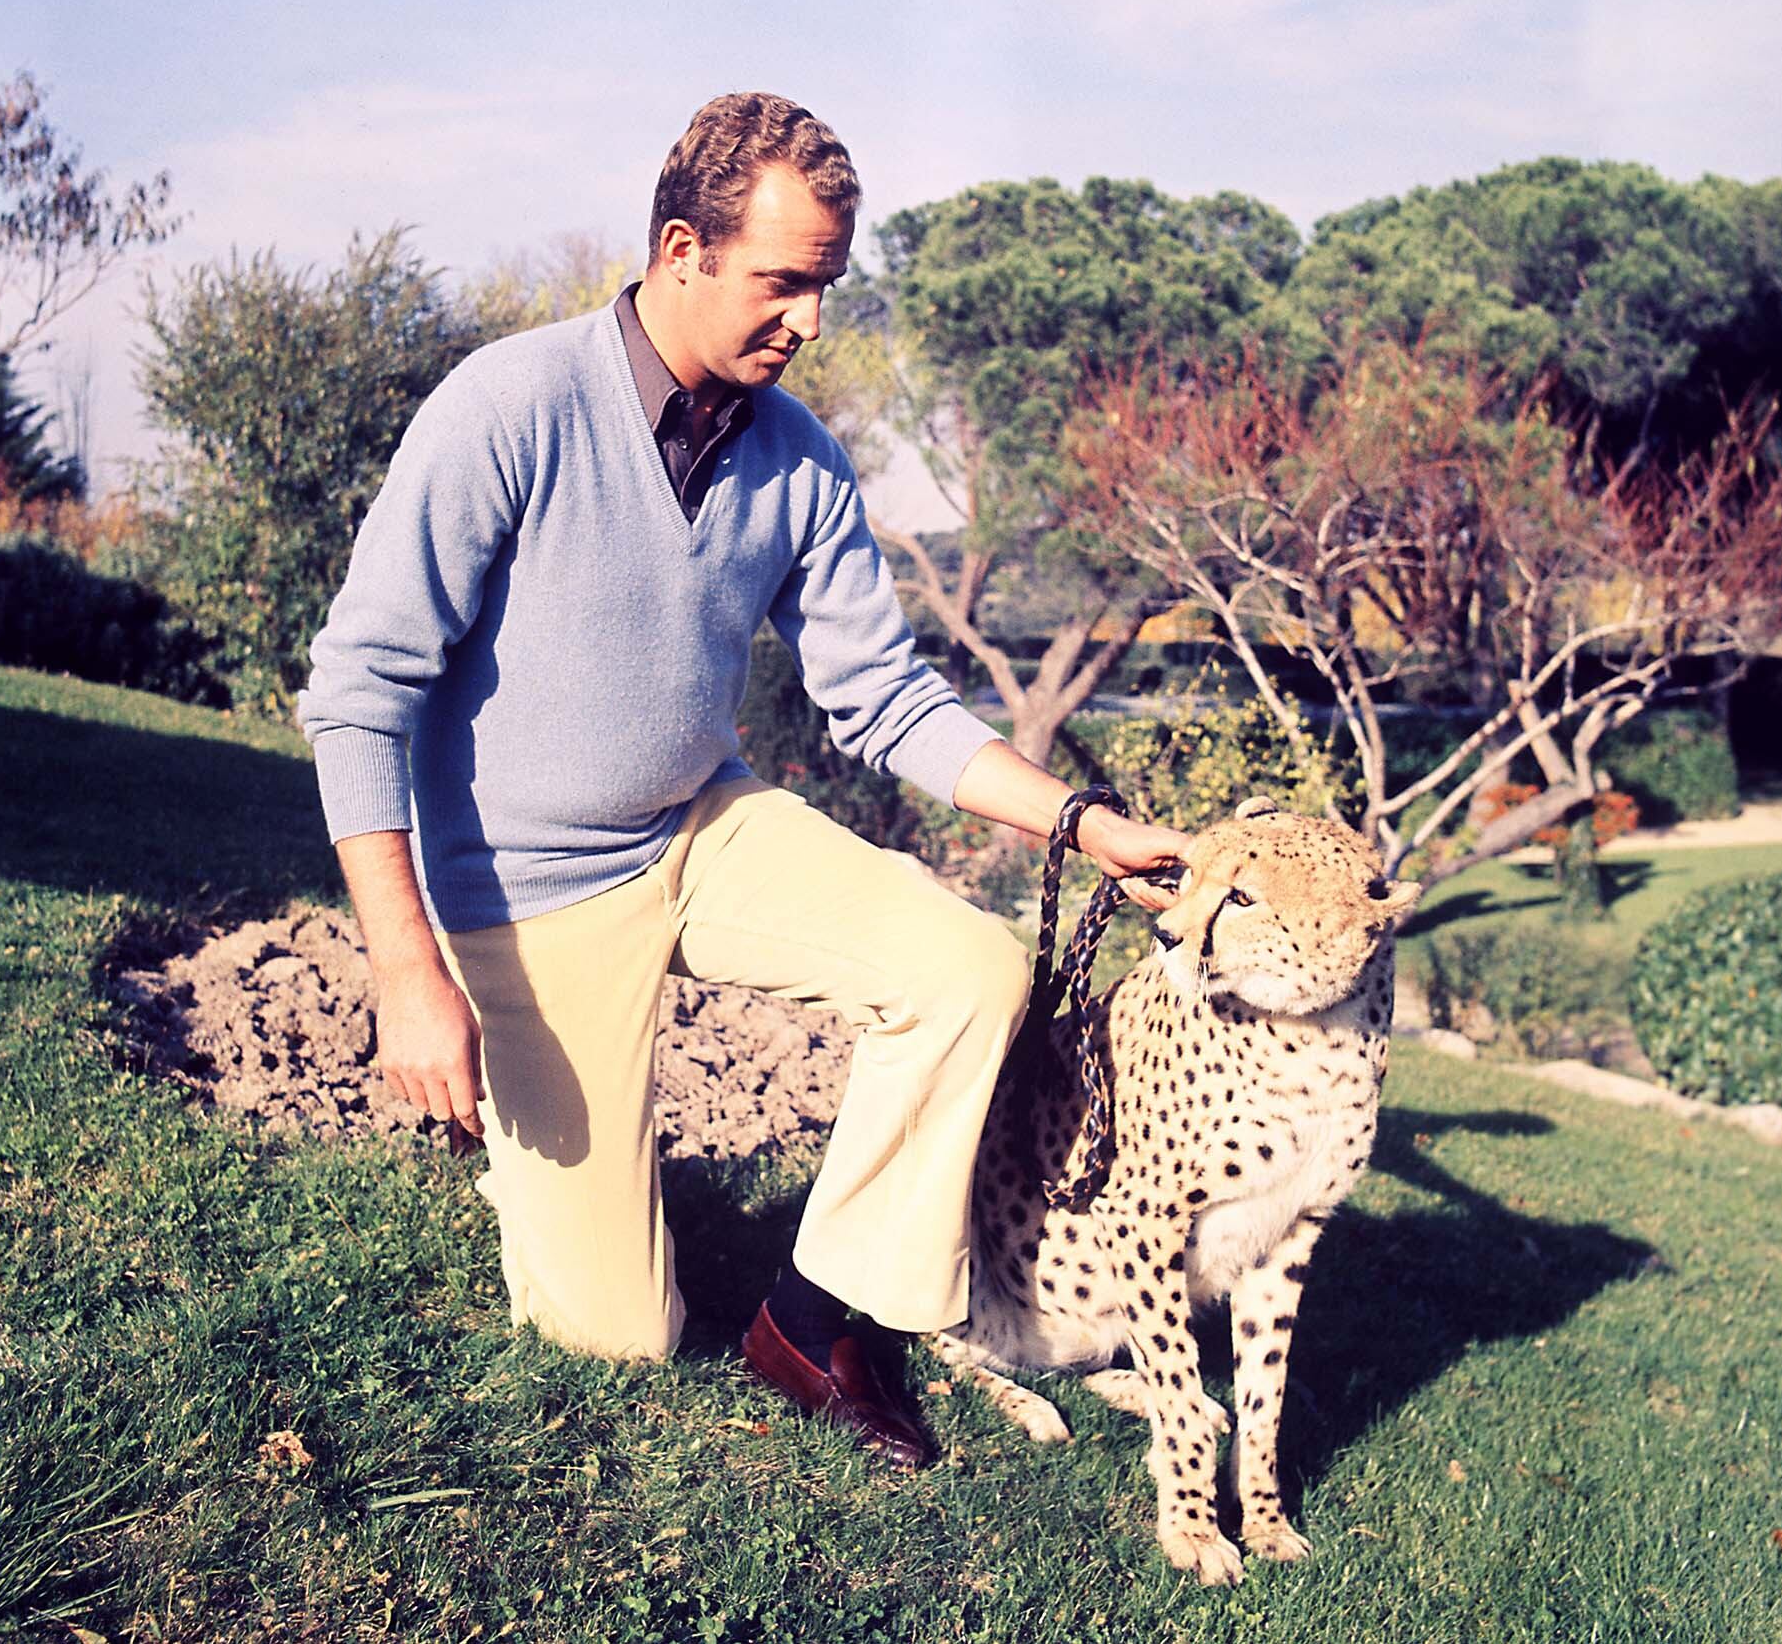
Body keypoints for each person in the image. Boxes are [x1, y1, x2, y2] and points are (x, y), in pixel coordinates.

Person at [298, 92, 1187, 1468]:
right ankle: (563, 1194)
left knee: (966, 968)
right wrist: (409, 974)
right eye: (784, 283)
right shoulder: (509, 406)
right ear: (680, 249)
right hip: (524, 896)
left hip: (702, 828)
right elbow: (359, 693)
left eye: (826, 287)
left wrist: (1079, 819)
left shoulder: (800, 461)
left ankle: (818, 1317)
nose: (812, 323)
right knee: (615, 1339)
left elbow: (884, 697)